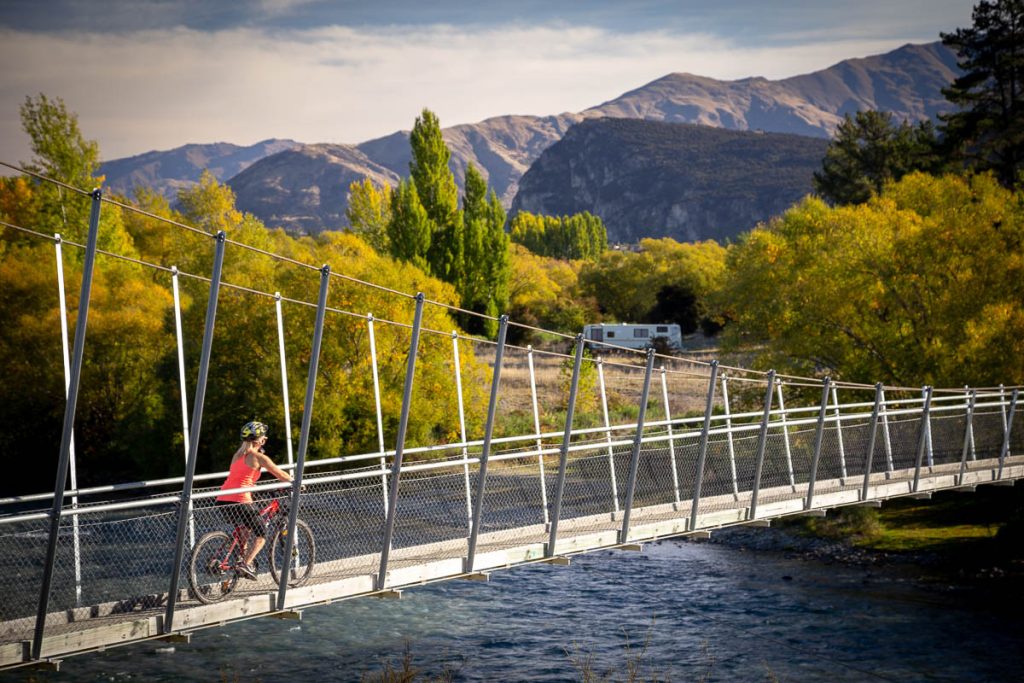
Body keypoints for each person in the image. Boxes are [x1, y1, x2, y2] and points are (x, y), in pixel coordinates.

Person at [215, 420, 293, 580]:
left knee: (245, 528)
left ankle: (238, 560)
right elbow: (279, 473)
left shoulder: (237, 455)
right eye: (264, 437)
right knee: (262, 533)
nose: (265, 440)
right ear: (259, 440)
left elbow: (239, 477)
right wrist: (296, 482)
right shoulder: (258, 457)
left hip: (222, 499)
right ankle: (245, 563)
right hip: (240, 499)